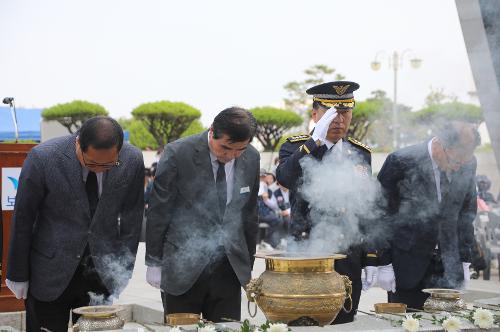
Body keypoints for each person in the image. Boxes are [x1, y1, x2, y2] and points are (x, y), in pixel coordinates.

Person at [6, 116, 145, 331]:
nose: (99, 169)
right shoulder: (44, 158)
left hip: (100, 272)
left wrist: (123, 269)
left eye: (109, 164)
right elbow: (24, 217)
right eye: (92, 163)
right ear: (78, 143)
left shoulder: (132, 159)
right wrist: (17, 274)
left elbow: (132, 217)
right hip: (49, 271)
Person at [276, 81, 378, 324]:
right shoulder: (294, 147)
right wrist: (314, 143)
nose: (339, 120)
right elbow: (286, 178)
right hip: (307, 254)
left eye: (345, 113)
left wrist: (373, 258)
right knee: (305, 322)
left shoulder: (360, 153)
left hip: (347, 256)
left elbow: (367, 207)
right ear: (315, 115)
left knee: (345, 321)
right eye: (331, 113)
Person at [145, 107, 260, 322]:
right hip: (183, 266)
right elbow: (159, 211)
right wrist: (154, 262)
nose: (231, 155)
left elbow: (250, 213)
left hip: (228, 267)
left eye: (239, 150)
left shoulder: (252, 157)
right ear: (212, 131)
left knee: (226, 328)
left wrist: (247, 265)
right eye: (225, 148)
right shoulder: (178, 153)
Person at [376, 121, 480, 309]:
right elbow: (380, 213)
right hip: (408, 266)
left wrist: (465, 260)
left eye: (464, 162)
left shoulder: (468, 163)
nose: (458, 168)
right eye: (455, 161)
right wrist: (383, 263)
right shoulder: (400, 161)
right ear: (440, 144)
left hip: (449, 266)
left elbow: (467, 213)